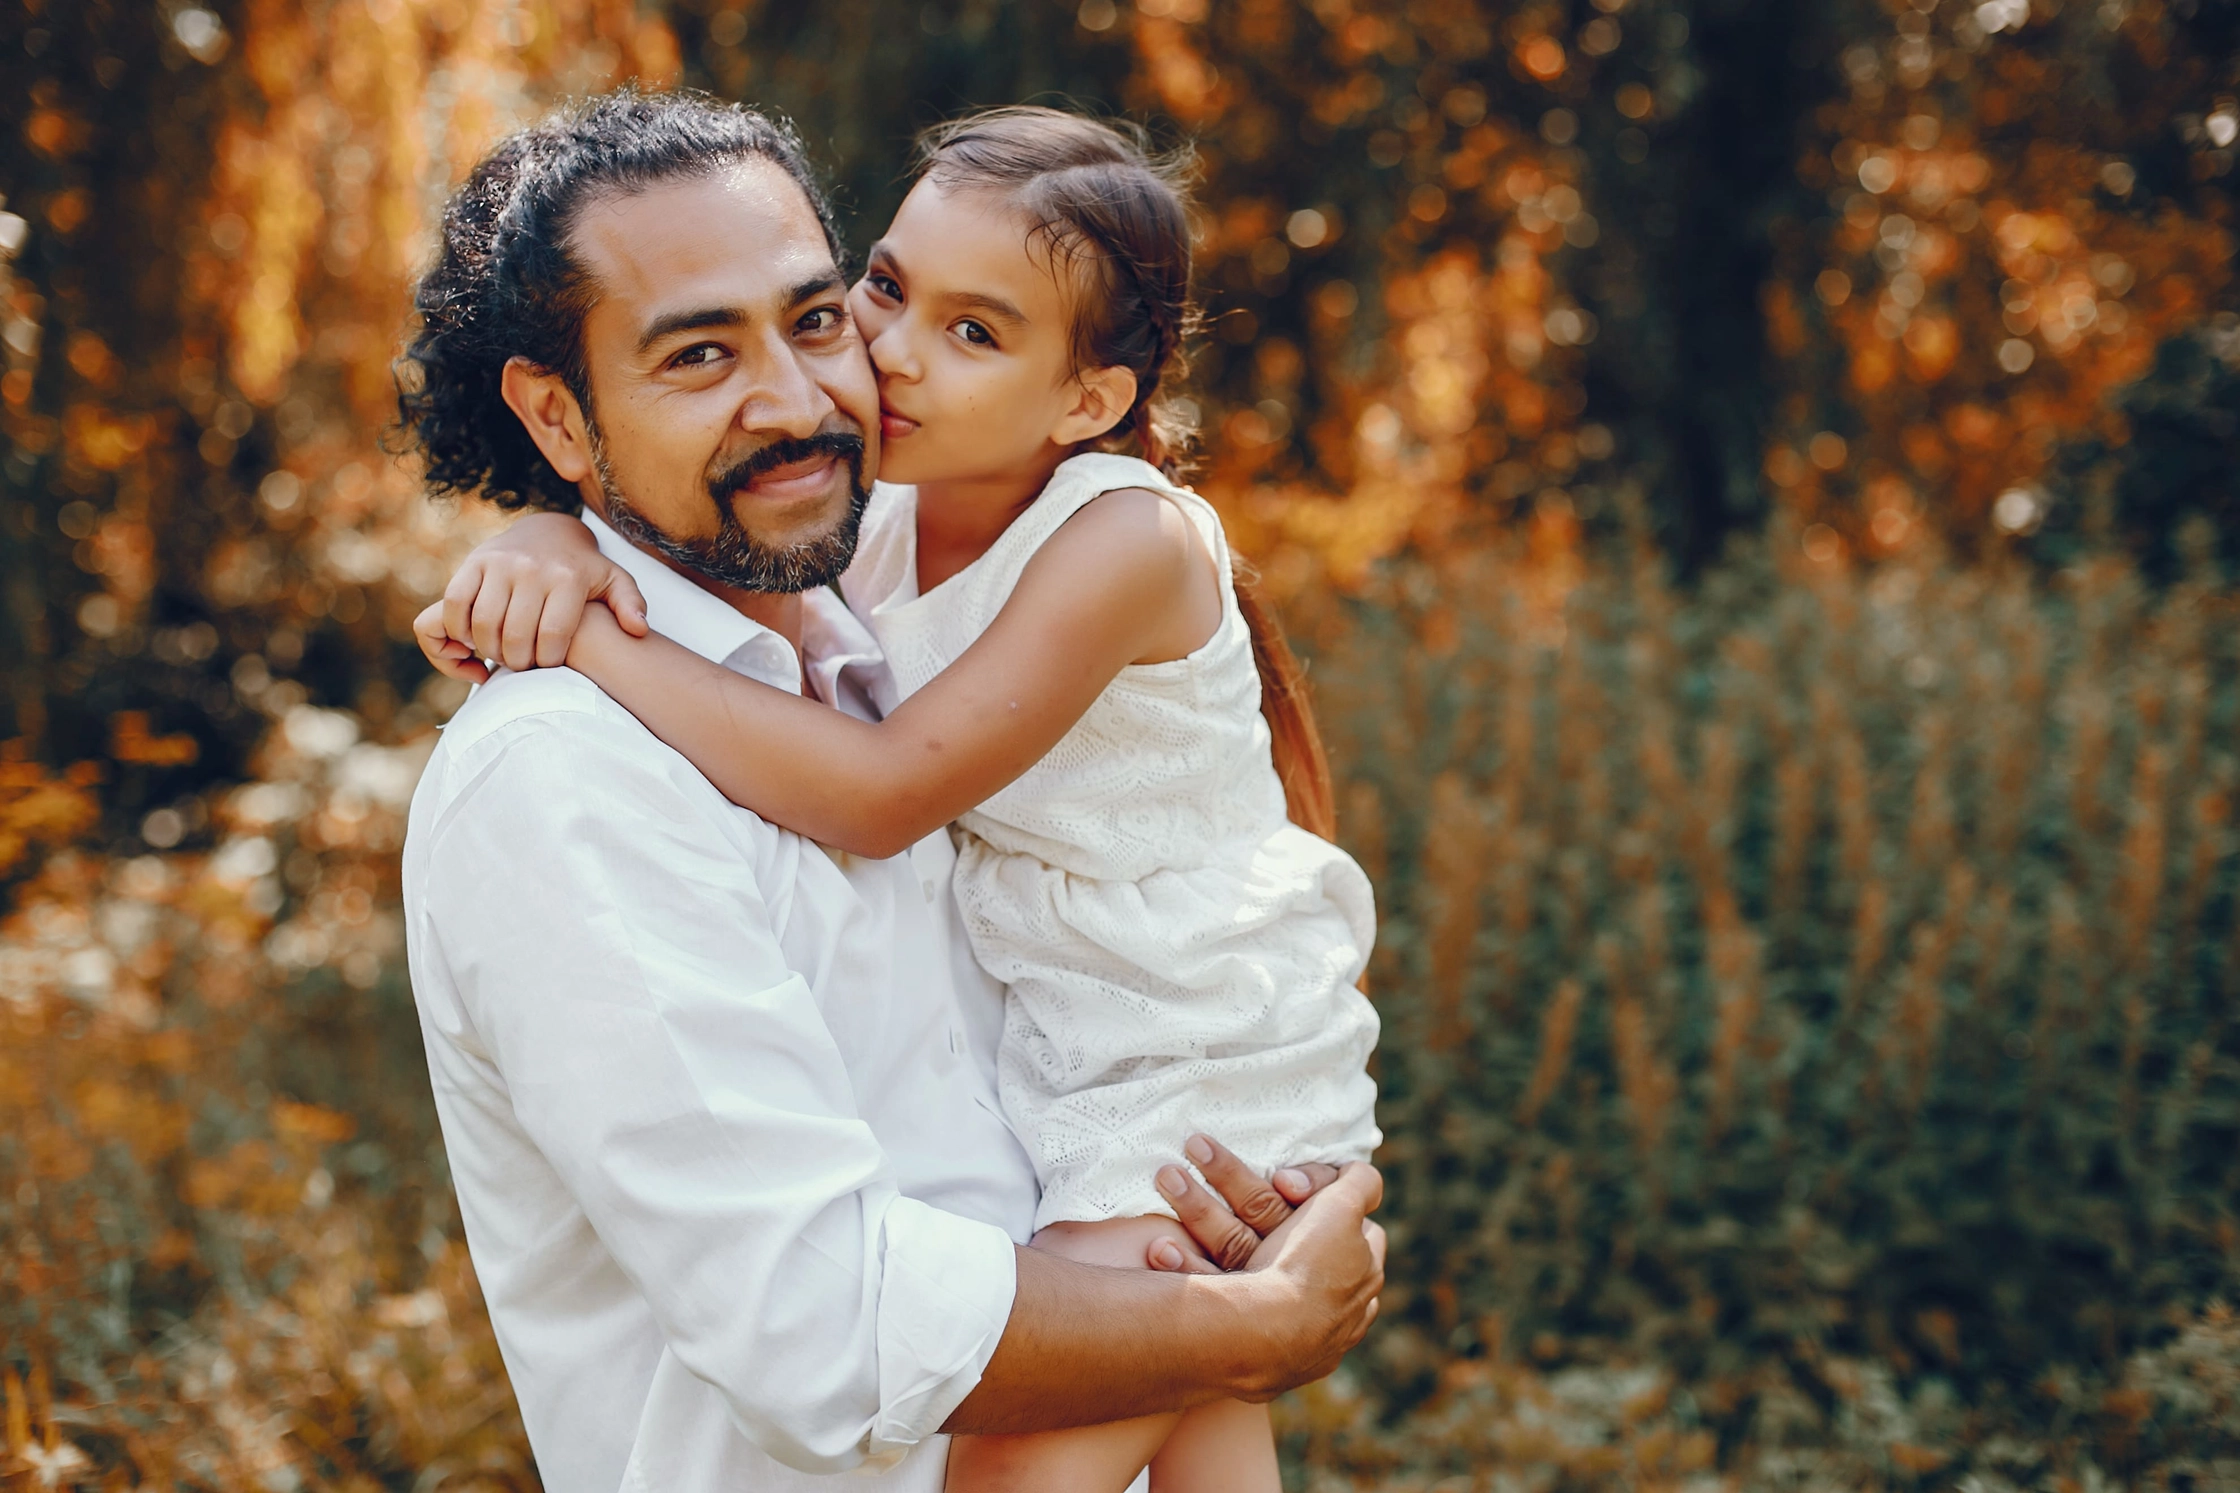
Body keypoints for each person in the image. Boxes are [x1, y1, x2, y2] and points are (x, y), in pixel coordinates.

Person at [395, 90, 1383, 1493]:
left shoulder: (871, 645)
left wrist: (1248, 1284)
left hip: (1178, 1172)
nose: (808, 398)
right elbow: (829, 1330)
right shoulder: (562, 776)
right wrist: (1247, 1324)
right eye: (696, 356)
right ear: (558, 416)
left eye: (812, 321)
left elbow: (909, 827)